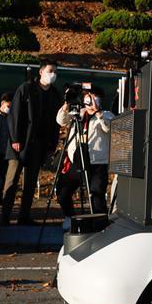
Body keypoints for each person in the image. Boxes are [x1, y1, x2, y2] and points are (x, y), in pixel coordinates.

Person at [1, 60, 63, 225]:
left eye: (56, 72)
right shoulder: (26, 89)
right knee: (11, 181)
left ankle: (24, 216)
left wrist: (52, 144)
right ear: (41, 71)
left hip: (39, 145)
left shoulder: (54, 95)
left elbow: (56, 123)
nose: (53, 74)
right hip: (20, 143)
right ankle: (5, 216)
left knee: (30, 183)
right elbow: (15, 115)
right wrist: (15, 139)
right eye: (50, 70)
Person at [55, 88, 113, 230]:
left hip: (96, 163)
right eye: (88, 97)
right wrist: (66, 104)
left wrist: (98, 112)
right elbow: (61, 120)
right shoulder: (78, 113)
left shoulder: (106, 114)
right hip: (76, 160)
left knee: (96, 194)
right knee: (63, 190)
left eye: (94, 98)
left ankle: (100, 226)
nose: (90, 101)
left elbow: (109, 128)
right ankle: (70, 217)